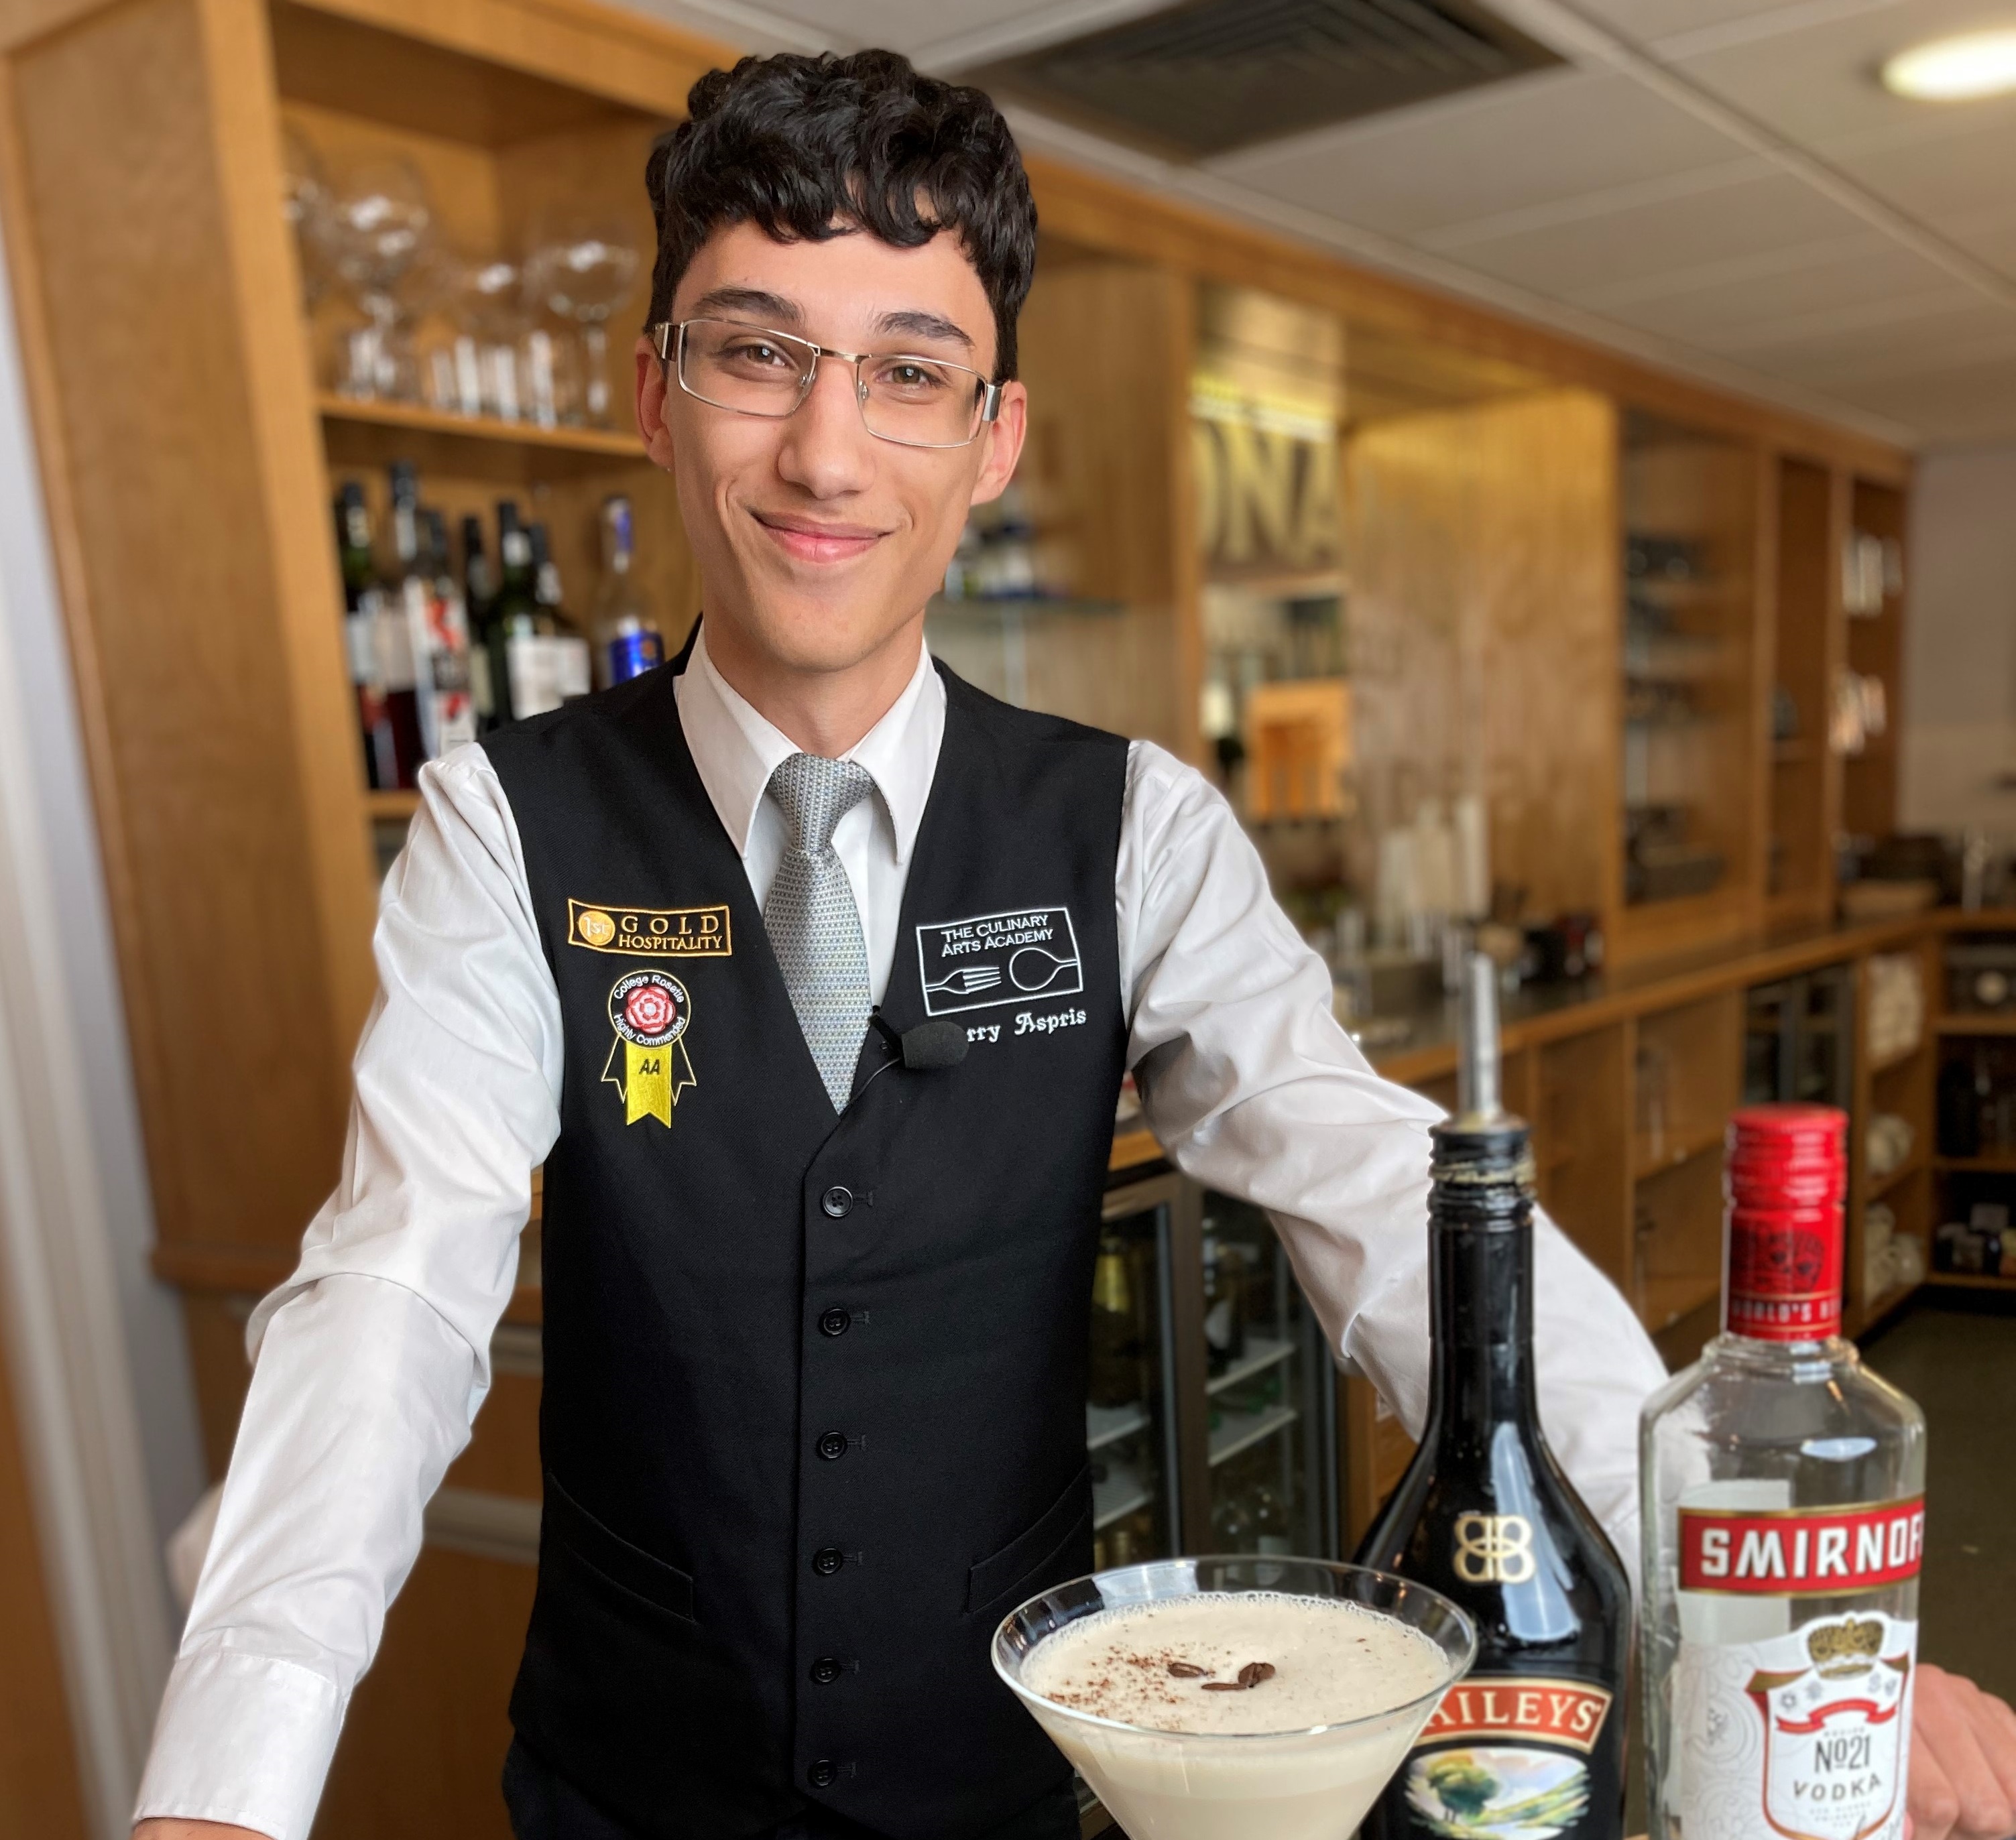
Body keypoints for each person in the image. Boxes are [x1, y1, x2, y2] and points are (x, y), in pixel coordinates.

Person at [134, 48, 2016, 1840]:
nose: (822, 446)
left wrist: (1756, 1611)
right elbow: (393, 1285)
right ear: (654, 391)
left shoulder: (1131, 829)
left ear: (993, 438)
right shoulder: (499, 822)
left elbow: (1375, 1191)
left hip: (1017, 1776)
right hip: (628, 1785)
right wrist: (228, 1770)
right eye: (756, 352)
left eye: (906, 369)